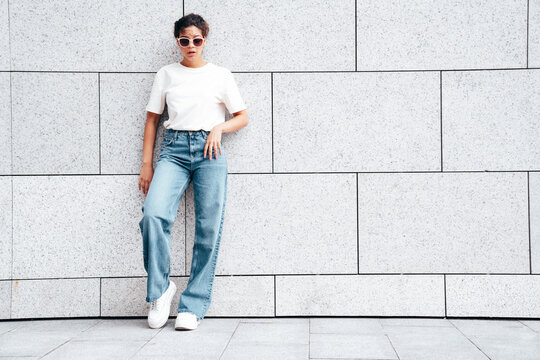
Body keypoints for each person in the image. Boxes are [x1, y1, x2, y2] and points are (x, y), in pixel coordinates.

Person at [138, 13, 248, 331]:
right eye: (184, 40)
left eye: (196, 40)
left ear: (205, 39)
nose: (191, 46)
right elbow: (151, 121)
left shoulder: (220, 75)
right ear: (177, 42)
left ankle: (193, 304)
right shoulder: (166, 74)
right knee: (153, 215)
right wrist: (147, 165)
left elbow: (242, 116)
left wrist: (219, 128)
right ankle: (160, 291)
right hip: (172, 151)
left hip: (209, 151)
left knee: (208, 229)